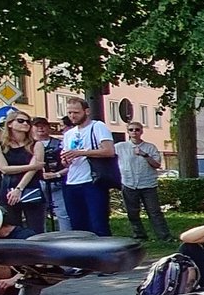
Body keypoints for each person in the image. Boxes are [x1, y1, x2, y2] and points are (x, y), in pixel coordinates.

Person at [55, 97, 115, 236]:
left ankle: (103, 254)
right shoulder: (69, 133)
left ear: (86, 111)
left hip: (92, 181)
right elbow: (67, 159)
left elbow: (109, 151)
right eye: (69, 113)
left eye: (76, 112)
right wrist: (65, 160)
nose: (72, 116)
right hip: (71, 181)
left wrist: (81, 153)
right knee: (78, 225)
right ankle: (84, 255)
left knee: (98, 223)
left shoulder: (97, 126)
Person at [0, 112, 47, 235]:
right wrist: (32, 166)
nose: (26, 124)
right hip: (7, 190)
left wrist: (19, 189)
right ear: (10, 124)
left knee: (36, 230)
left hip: (30, 188)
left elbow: (32, 171)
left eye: (28, 121)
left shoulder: (36, 144)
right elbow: (3, 168)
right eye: (21, 121)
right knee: (11, 228)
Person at [115, 122, 169, 242]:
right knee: (132, 212)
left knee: (154, 212)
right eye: (131, 130)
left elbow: (157, 165)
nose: (134, 132)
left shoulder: (150, 147)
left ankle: (164, 236)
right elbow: (108, 155)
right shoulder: (120, 147)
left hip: (148, 184)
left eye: (137, 130)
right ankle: (139, 235)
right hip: (129, 183)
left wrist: (145, 155)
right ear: (128, 132)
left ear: (141, 131)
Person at [32, 117, 68, 231]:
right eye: (37, 126)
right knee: (37, 215)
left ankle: (67, 240)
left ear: (49, 127)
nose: (40, 128)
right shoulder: (28, 145)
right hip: (35, 184)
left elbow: (70, 165)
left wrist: (57, 174)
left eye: (43, 125)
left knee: (63, 214)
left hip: (57, 182)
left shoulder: (59, 144)